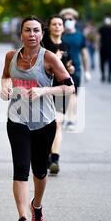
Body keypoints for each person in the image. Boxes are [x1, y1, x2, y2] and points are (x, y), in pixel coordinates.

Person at [0, 16, 74, 221]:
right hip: (17, 120)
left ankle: (37, 206)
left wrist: (44, 91)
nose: (31, 35)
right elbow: (5, 77)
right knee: (21, 168)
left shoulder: (49, 58)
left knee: (40, 171)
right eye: (27, 31)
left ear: (41, 34)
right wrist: (4, 88)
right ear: (20, 34)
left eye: (35, 31)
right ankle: (23, 219)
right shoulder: (11, 56)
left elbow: (70, 87)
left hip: (44, 122)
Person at [42, 14, 75, 175]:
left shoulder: (66, 45)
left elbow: (70, 65)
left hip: (61, 88)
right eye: (54, 24)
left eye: (59, 24)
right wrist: (56, 59)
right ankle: (46, 154)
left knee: (58, 123)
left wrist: (71, 68)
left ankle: (55, 159)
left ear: (63, 27)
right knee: (45, 125)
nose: (57, 27)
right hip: (44, 88)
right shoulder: (43, 44)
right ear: (49, 27)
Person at [60, 8, 90, 131]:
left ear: (75, 20)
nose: (68, 21)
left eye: (70, 19)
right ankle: (62, 117)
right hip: (60, 69)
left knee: (72, 94)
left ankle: (71, 119)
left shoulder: (80, 36)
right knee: (62, 94)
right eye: (65, 19)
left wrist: (87, 71)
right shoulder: (60, 34)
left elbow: (84, 53)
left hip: (76, 69)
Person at [98, 13, 111, 83]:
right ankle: (103, 75)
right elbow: (98, 37)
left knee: (110, 63)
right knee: (102, 63)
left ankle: (109, 76)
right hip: (103, 48)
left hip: (110, 48)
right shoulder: (101, 28)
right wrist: (98, 45)